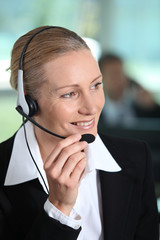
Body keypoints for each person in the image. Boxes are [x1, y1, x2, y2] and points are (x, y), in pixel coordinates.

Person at [0, 26, 159, 240]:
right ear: (28, 103)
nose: (91, 107)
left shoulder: (136, 158)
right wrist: (59, 209)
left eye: (96, 85)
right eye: (69, 94)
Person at [98, 53, 136, 128]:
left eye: (121, 73)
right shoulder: (94, 112)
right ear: (101, 79)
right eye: (113, 75)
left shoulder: (139, 105)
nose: (120, 79)